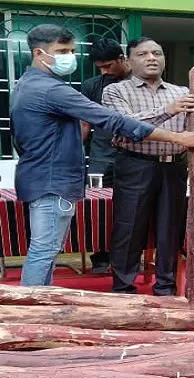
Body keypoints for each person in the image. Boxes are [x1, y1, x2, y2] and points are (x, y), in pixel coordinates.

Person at [10, 24, 194, 286]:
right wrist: (177, 137)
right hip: (54, 179)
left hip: (43, 175)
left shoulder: (26, 84)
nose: (69, 56)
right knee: (45, 250)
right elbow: (114, 121)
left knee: (45, 249)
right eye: (62, 51)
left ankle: (36, 301)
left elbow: (18, 138)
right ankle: (32, 306)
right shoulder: (52, 89)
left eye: (71, 50)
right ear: (39, 53)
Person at [101, 37, 194, 296]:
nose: (152, 58)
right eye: (143, 54)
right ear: (129, 61)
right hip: (135, 165)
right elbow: (125, 124)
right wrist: (167, 111)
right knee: (129, 226)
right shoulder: (116, 91)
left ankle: (166, 288)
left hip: (173, 167)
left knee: (170, 228)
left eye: (157, 53)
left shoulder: (181, 92)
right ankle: (123, 288)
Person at [80, 38, 131, 274]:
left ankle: (128, 257)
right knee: (97, 208)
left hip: (133, 158)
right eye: (100, 67)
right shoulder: (92, 85)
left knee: (130, 208)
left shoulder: (137, 83)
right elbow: (84, 124)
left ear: (122, 59)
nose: (105, 71)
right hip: (100, 158)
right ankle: (100, 258)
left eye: (109, 65)